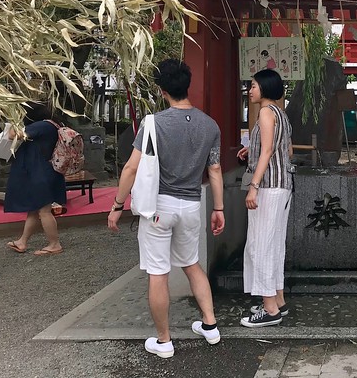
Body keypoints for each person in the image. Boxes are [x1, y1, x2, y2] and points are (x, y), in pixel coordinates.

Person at [107, 59, 225, 359]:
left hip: (160, 207)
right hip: (191, 206)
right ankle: (210, 325)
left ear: (162, 91)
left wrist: (118, 204)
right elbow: (214, 170)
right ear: (187, 85)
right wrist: (219, 209)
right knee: (191, 264)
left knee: (158, 272)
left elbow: (132, 168)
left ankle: (164, 341)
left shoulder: (153, 124)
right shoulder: (210, 125)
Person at [236, 69, 293, 328]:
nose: (250, 90)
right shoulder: (282, 114)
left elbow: (269, 149)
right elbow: (286, 149)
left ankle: (270, 309)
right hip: (283, 185)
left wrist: (254, 186)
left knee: (260, 244)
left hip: (269, 187)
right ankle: (278, 300)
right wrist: (253, 149)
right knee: (274, 244)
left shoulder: (266, 113)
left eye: (255, 85)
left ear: (266, 88)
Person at [4, 103, 66, 256]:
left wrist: (14, 120)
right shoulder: (53, 124)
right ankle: (22, 241)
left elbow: (13, 134)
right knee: (34, 210)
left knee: (44, 211)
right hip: (46, 171)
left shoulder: (42, 126)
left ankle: (54, 244)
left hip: (41, 173)